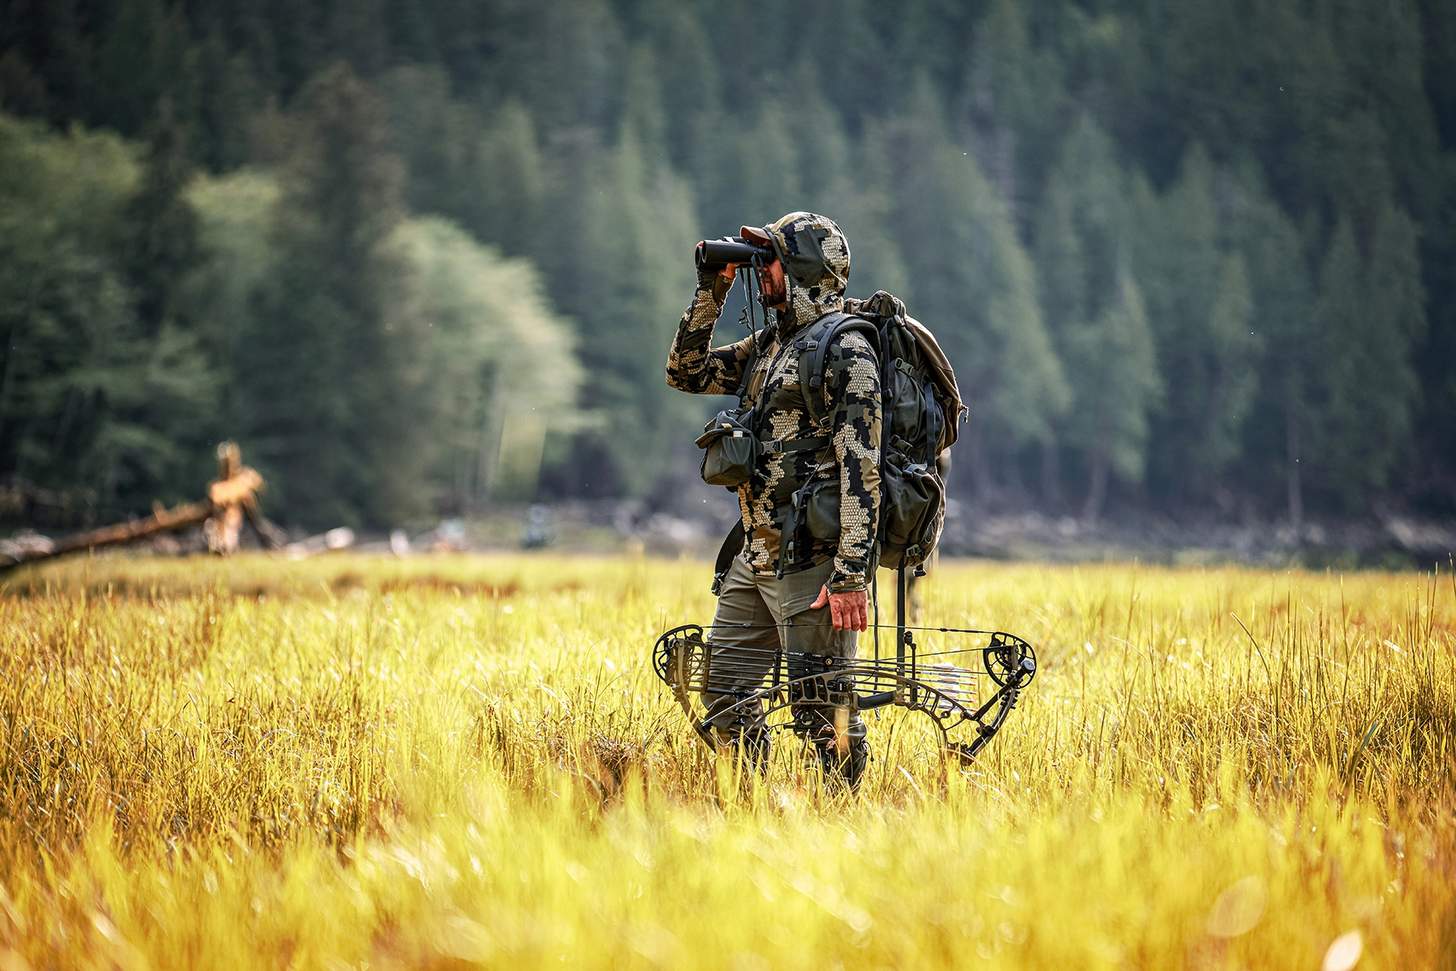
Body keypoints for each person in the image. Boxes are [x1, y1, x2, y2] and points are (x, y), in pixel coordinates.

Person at [665, 212, 880, 785]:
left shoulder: (847, 350)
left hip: (812, 563)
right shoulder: (773, 344)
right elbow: (687, 373)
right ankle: (758, 806)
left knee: (822, 711)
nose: (763, 270)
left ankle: (842, 822)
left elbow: (863, 468)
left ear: (807, 267)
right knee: (723, 693)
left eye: (773, 258)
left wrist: (852, 575)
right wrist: (713, 289)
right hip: (755, 554)